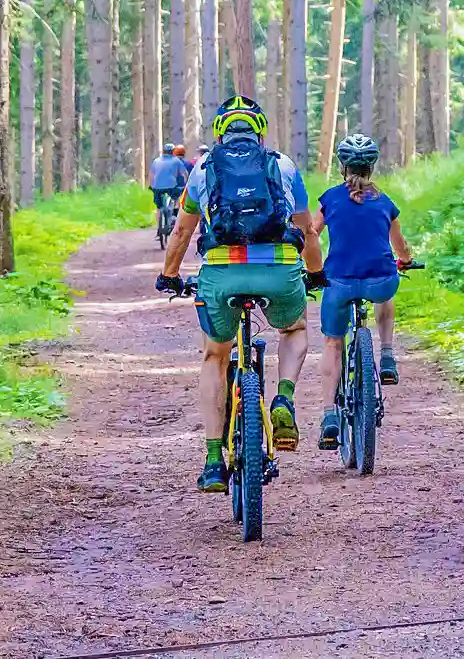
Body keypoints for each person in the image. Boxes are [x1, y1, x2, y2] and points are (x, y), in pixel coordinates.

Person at [156, 95, 325, 493]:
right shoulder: (282, 165)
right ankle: (283, 398)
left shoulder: (202, 168)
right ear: (260, 130)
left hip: (222, 274)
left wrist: (169, 275)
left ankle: (214, 460)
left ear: (219, 132)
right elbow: (308, 230)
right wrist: (315, 274)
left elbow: (181, 231)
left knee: (215, 356)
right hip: (279, 272)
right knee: (294, 328)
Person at [311, 134, 415, 450]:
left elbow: (312, 235)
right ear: (372, 166)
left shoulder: (329, 200)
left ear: (342, 166)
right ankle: (386, 355)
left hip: (339, 281)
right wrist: (407, 261)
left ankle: (330, 414)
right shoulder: (385, 203)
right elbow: (400, 247)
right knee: (386, 288)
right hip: (379, 279)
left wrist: (312, 269)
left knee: (332, 342)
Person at [149, 143, 189, 226]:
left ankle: (158, 227)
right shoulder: (176, 161)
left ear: (163, 151)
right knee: (177, 197)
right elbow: (185, 173)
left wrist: (151, 185)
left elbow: (151, 175)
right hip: (171, 186)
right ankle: (175, 213)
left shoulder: (156, 161)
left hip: (157, 187)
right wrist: (186, 184)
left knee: (159, 207)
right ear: (173, 151)